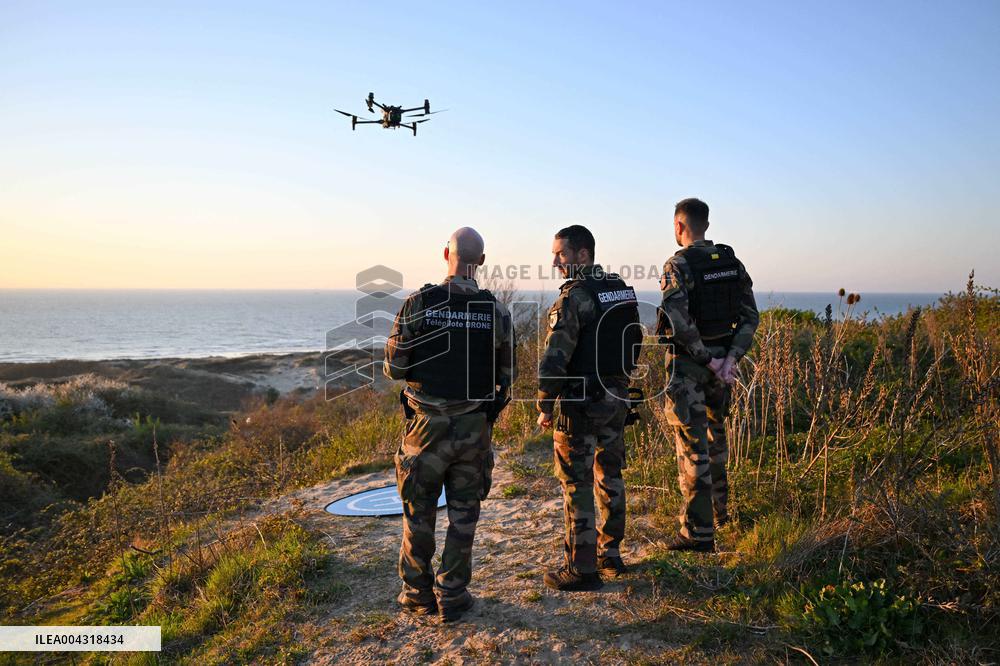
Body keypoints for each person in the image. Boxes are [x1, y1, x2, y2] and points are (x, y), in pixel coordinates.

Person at [383, 227, 515, 621]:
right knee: (464, 516)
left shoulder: (419, 304)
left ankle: (417, 594)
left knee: (418, 513)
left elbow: (393, 368)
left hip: (424, 430)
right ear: (483, 262)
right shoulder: (496, 312)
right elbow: (507, 378)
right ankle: (453, 594)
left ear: (446, 254)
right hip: (473, 429)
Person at [536, 225, 642, 591]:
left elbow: (554, 360)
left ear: (582, 255)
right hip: (617, 395)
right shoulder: (621, 290)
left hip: (580, 403)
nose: (554, 262)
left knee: (576, 483)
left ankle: (582, 569)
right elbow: (634, 341)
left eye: (561, 254)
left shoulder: (574, 298)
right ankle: (610, 556)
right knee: (610, 475)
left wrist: (545, 405)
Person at [655, 198, 759, 552]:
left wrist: (706, 359)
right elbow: (750, 317)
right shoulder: (732, 263)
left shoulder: (678, 265)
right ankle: (721, 514)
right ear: (707, 225)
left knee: (692, 447)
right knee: (717, 440)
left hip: (690, 370)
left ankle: (697, 534)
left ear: (679, 226)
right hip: (722, 369)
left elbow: (677, 320)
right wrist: (730, 359)